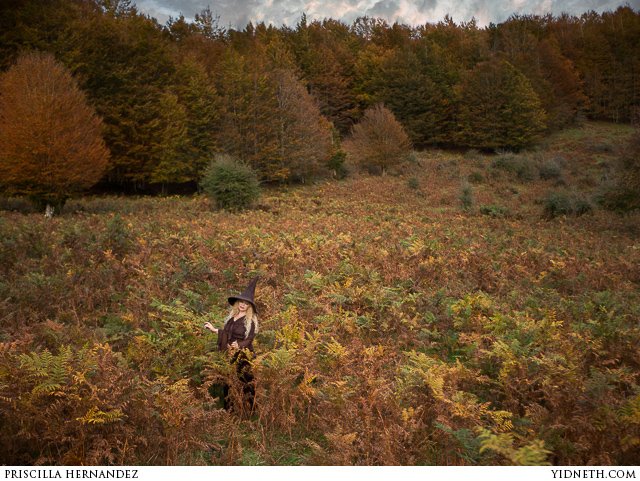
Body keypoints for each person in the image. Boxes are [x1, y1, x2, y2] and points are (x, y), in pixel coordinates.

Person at [204, 277, 259, 412]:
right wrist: (214, 329)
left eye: (246, 303)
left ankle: (251, 410)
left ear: (249, 306)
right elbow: (226, 334)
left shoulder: (250, 321)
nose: (242, 305)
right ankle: (229, 411)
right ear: (237, 303)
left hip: (243, 356)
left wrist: (238, 345)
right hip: (229, 355)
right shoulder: (231, 318)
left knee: (246, 383)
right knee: (228, 382)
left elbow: (249, 339)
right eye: (241, 302)